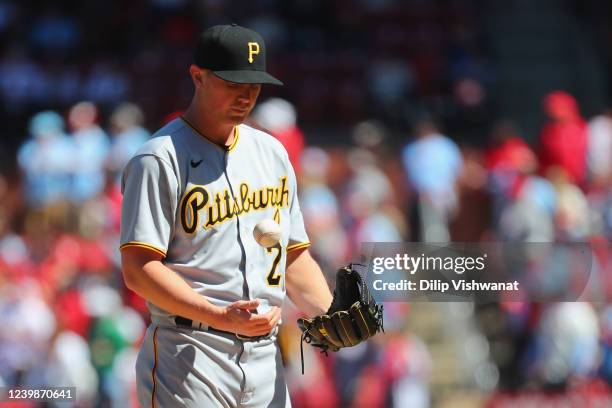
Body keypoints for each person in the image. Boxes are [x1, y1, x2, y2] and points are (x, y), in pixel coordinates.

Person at [119, 24, 333, 407]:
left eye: (254, 85)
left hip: (266, 357)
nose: (246, 95)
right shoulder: (158, 159)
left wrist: (331, 315)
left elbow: (293, 256)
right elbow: (138, 269)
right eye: (234, 83)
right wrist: (218, 315)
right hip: (190, 353)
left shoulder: (272, 153)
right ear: (197, 76)